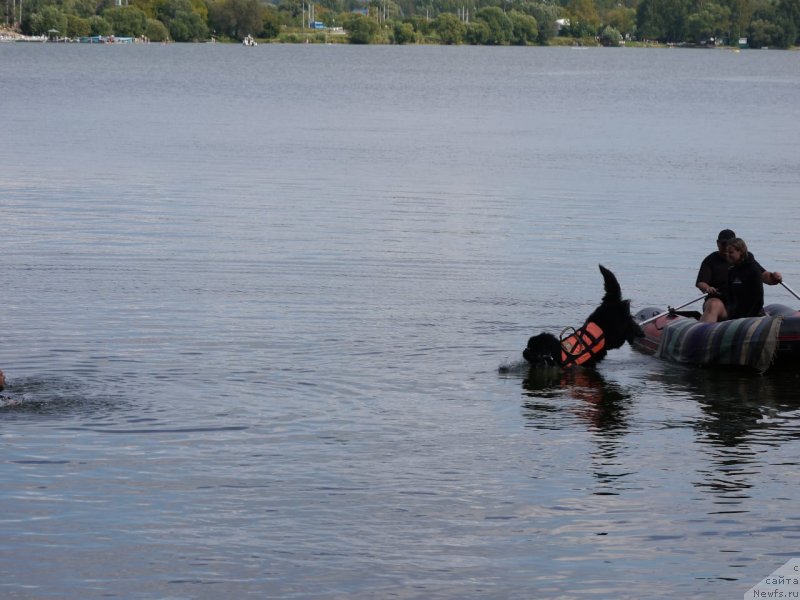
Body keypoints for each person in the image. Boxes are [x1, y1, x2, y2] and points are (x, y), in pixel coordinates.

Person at [696, 229, 782, 323]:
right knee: (713, 304)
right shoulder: (711, 260)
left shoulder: (748, 262)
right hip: (720, 299)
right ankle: (703, 331)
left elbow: (763, 275)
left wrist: (774, 277)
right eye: (724, 244)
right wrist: (708, 288)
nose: (726, 249)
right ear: (718, 243)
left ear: (738, 249)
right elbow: (701, 282)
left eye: (730, 247)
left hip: (740, 302)